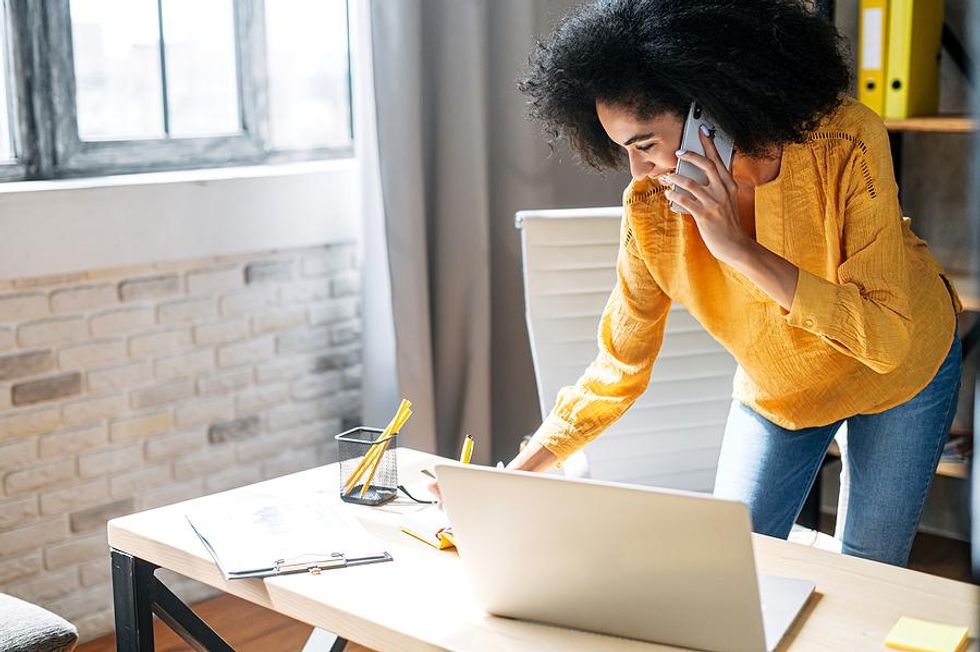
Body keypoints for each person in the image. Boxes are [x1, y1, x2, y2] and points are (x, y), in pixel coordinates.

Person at [498, 0, 962, 567]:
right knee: (727, 565)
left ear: (709, 111)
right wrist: (512, 478)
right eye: (624, 151)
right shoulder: (650, 210)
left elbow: (886, 340)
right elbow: (619, 367)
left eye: (645, 145)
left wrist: (738, 249)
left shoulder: (844, 141)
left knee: (867, 570)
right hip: (783, 388)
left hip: (904, 364)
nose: (639, 171)